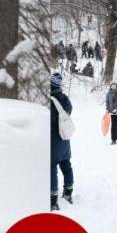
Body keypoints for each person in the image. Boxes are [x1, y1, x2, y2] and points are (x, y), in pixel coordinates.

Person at [50, 73, 73, 210]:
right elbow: (69, 111)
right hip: (64, 137)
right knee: (66, 164)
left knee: (52, 167)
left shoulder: (49, 100)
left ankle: (53, 200)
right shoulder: (64, 98)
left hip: (53, 139)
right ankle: (68, 192)